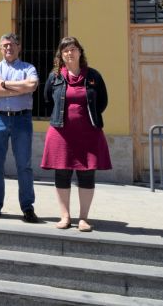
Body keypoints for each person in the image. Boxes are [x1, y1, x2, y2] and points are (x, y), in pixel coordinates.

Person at [41, 37, 111, 232]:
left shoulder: (94, 76)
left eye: (73, 49)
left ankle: (84, 218)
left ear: (80, 52)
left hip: (88, 134)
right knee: (62, 173)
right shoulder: (55, 77)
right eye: (65, 51)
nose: (69, 53)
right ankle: (65, 216)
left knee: (86, 174)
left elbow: (102, 101)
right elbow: (47, 101)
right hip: (61, 133)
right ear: (60, 56)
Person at [0, 33, 40, 223]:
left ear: (19, 47)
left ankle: (27, 207)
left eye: (12, 45)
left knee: (24, 165)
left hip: (22, 120)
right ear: (0, 48)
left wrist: (3, 84)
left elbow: (32, 85)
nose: (8, 48)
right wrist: (19, 88)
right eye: (5, 45)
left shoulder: (28, 68)